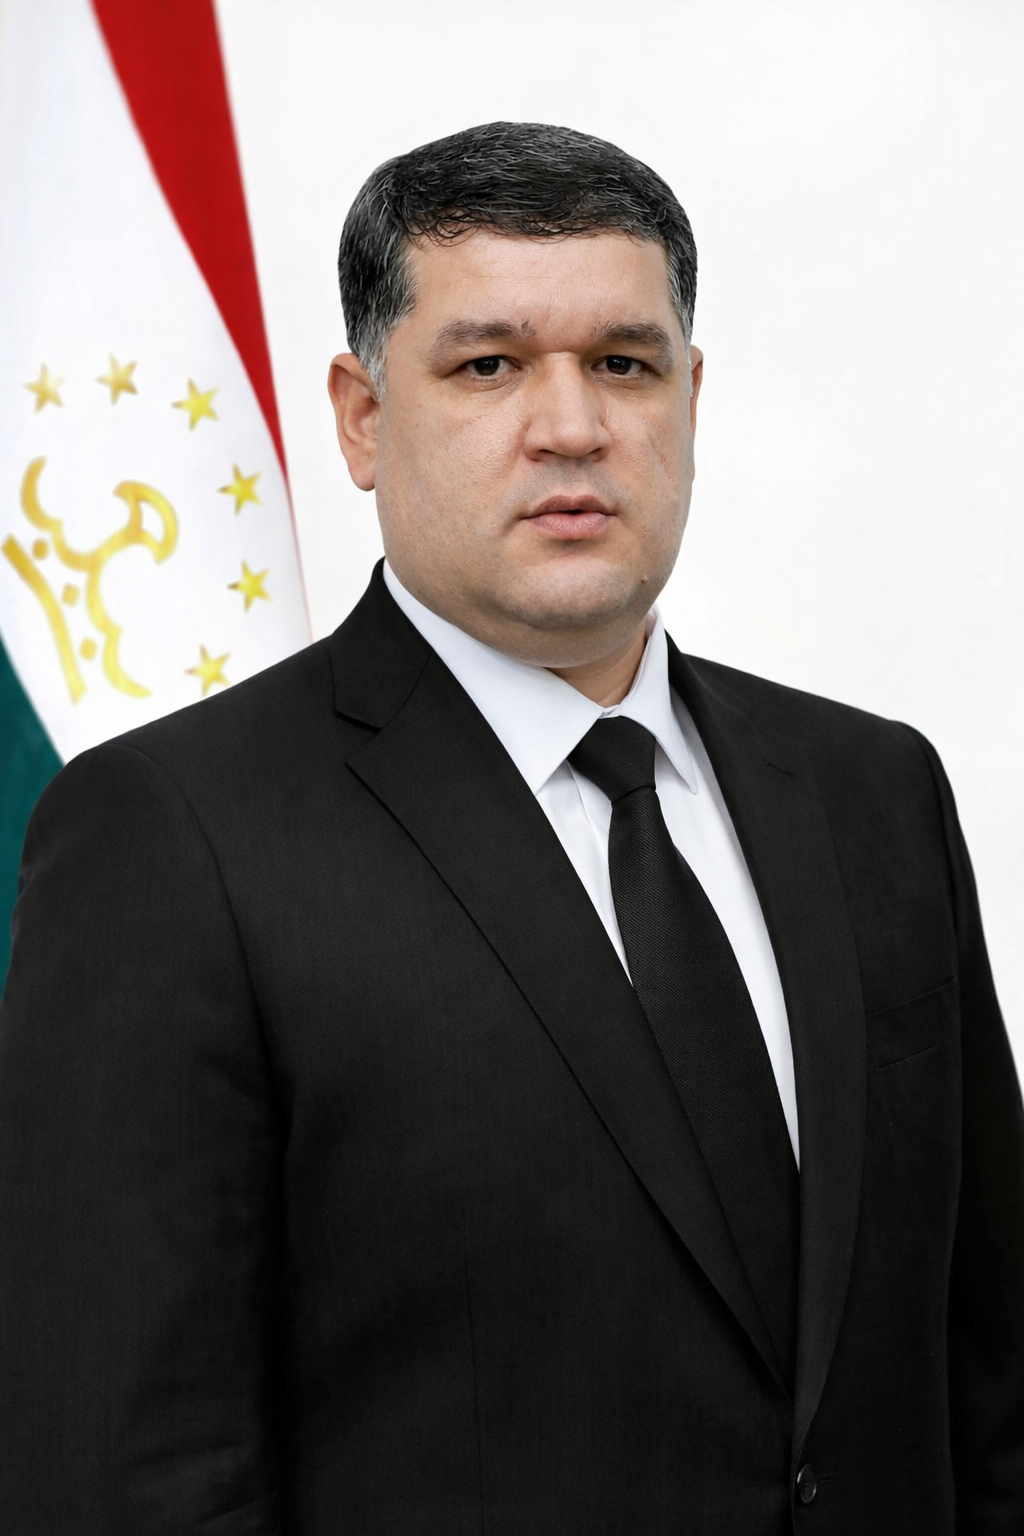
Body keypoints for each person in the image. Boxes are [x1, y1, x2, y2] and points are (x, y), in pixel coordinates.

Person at [0, 119, 1021, 1535]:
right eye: (488, 366)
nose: (572, 425)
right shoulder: (170, 838)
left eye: (624, 363)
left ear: (691, 397)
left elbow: (987, 1383)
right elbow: (126, 1476)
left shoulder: (874, 792)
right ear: (362, 417)